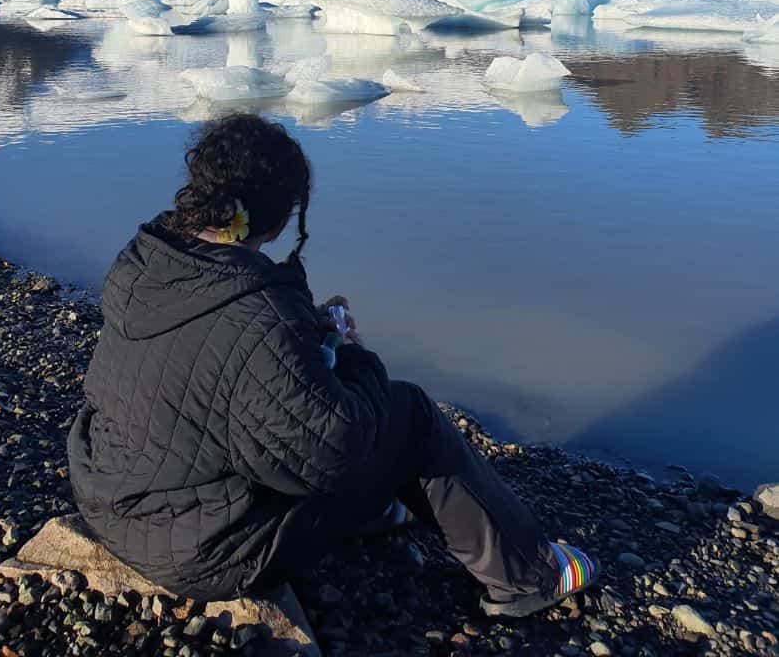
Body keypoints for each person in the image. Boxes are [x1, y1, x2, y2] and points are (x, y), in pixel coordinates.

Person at [68, 113, 598, 616]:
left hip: (110, 496)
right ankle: (527, 577)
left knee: (305, 399)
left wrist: (309, 336)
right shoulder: (258, 313)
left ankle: (375, 512)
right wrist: (355, 356)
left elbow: (210, 369)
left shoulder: (147, 260)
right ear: (277, 217)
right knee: (405, 412)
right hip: (202, 551)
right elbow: (334, 452)